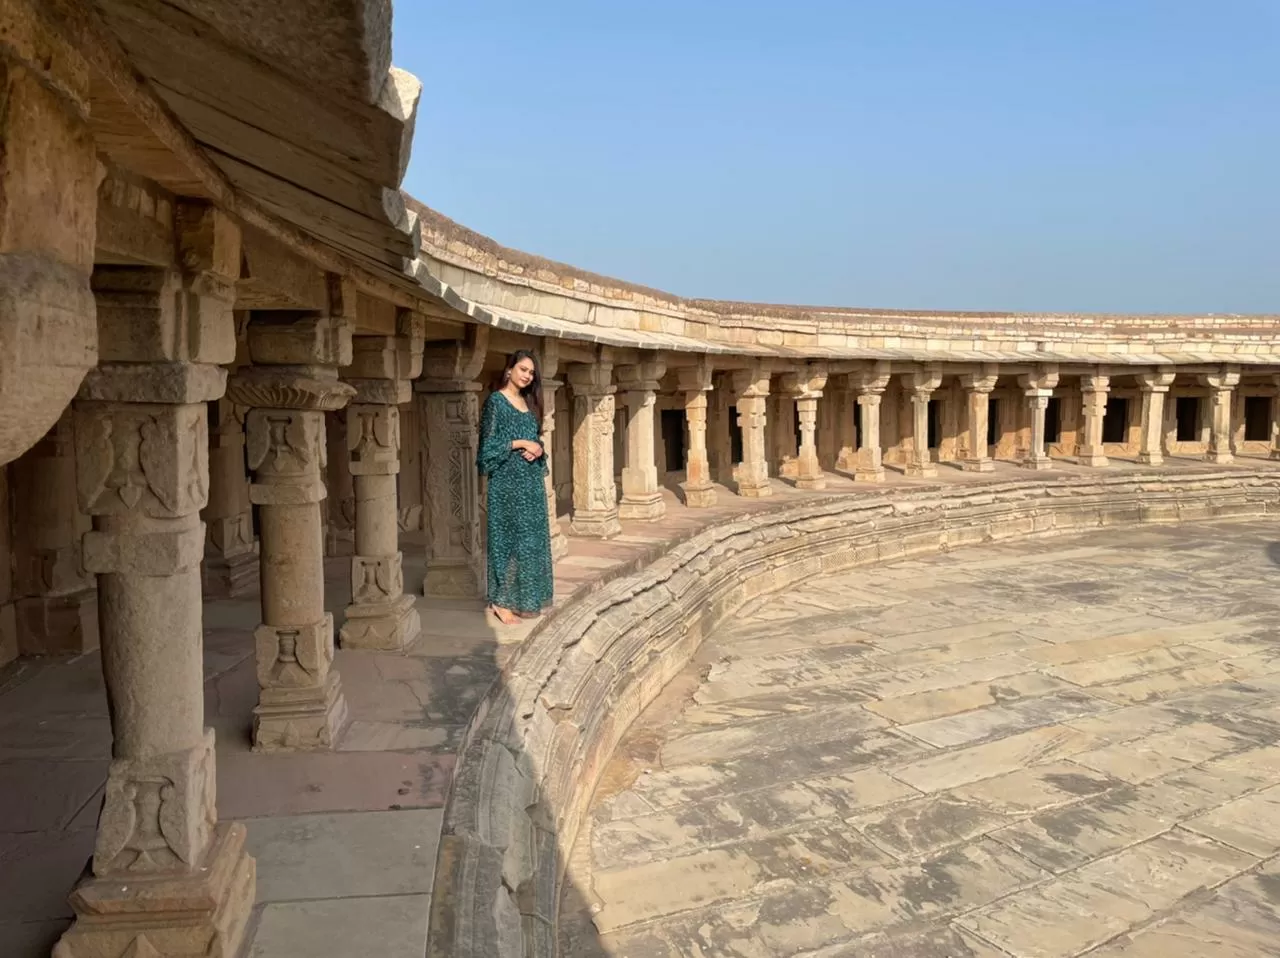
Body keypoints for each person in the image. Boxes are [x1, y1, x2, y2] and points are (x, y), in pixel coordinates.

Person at [477, 350, 554, 625]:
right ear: (509, 369)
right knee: (506, 541)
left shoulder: (528, 403)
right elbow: (487, 448)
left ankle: (525, 599)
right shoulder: (495, 403)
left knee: (529, 542)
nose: (527, 376)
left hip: (530, 484)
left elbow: (535, 440)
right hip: (507, 484)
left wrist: (537, 448)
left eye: (531, 373)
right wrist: (520, 444)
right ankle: (500, 601)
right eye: (523, 369)